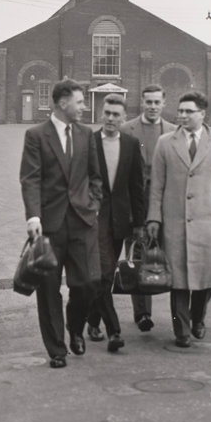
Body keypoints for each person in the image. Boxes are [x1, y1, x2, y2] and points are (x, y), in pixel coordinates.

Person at [20, 79, 102, 368]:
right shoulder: (36, 135)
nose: (84, 106)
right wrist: (33, 216)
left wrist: (94, 202)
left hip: (82, 221)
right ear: (63, 103)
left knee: (88, 282)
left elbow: (95, 175)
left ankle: (75, 328)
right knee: (48, 290)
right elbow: (30, 178)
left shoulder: (85, 134)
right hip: (50, 225)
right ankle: (57, 349)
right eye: (80, 102)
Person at [146, 91, 211, 347]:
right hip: (174, 221)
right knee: (178, 279)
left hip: (206, 221)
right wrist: (153, 218)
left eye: (189, 111)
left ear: (202, 114)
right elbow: (157, 186)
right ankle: (182, 330)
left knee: (206, 276)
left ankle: (198, 317)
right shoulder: (166, 142)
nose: (183, 116)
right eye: (181, 111)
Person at [86, 94, 145, 352]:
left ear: (123, 117)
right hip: (93, 218)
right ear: (101, 113)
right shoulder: (88, 142)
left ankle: (92, 320)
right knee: (106, 271)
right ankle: (114, 332)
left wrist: (139, 223)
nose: (110, 118)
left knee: (105, 277)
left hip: (120, 218)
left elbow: (136, 187)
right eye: (107, 113)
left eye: (116, 114)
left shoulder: (131, 144)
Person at [120, 84, 176, 332]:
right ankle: (143, 314)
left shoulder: (175, 132)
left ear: (164, 103)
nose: (152, 107)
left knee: (169, 259)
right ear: (141, 103)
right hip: (136, 207)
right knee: (140, 258)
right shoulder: (127, 130)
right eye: (148, 102)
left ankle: (181, 318)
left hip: (167, 208)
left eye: (157, 102)